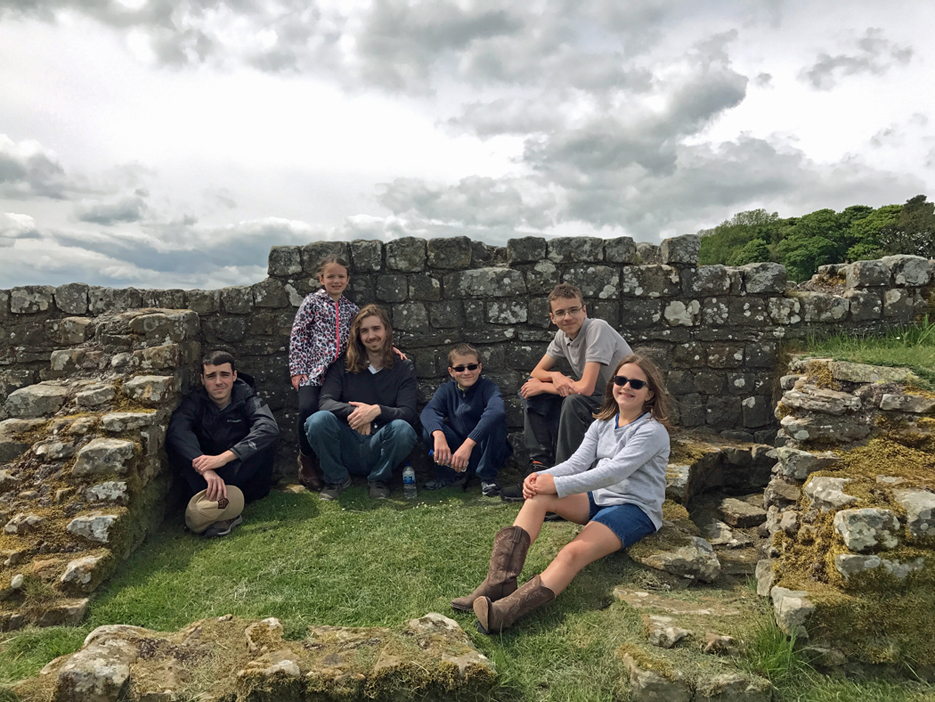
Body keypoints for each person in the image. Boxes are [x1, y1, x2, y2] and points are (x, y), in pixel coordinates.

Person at [452, 353, 671, 634]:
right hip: (599, 499)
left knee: (571, 553)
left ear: (649, 393)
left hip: (634, 509)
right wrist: (541, 477)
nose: (626, 387)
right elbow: (577, 463)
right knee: (538, 497)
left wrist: (556, 485)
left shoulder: (652, 431)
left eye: (636, 384)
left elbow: (614, 472)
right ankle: (499, 581)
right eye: (620, 379)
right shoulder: (604, 423)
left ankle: (503, 614)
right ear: (612, 384)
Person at [500, 283, 633, 502]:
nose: (567, 317)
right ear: (553, 318)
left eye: (573, 310)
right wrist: (554, 376)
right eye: (560, 313)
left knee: (572, 401)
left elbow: (586, 388)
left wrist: (544, 384)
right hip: (597, 398)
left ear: (584, 310)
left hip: (621, 403)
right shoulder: (562, 338)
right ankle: (539, 468)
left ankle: (561, 485)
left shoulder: (597, 328)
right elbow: (537, 371)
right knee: (531, 390)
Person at [305, 304, 418, 500]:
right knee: (317, 420)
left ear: (386, 331)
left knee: (404, 429)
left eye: (376, 329)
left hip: (381, 442)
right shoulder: (342, 365)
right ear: (358, 335)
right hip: (348, 439)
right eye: (364, 331)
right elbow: (325, 402)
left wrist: (376, 411)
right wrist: (357, 413)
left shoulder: (403, 367)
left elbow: (408, 412)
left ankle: (379, 480)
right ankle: (336, 479)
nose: (371, 335)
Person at [167, 350, 280, 537]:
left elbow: (268, 428)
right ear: (202, 380)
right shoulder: (195, 402)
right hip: (208, 476)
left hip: (242, 474)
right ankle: (219, 510)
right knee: (180, 446)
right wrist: (206, 469)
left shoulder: (248, 398)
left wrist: (224, 458)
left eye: (224, 375)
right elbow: (177, 431)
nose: (218, 382)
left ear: (234, 376)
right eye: (211, 376)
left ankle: (224, 510)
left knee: (264, 440)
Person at [289, 254, 359, 493]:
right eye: (331, 276)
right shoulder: (311, 302)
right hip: (313, 371)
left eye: (341, 276)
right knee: (308, 409)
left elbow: (363, 335)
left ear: (348, 279)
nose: (336, 281)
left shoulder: (351, 308)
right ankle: (306, 460)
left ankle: (340, 464)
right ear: (321, 279)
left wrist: (389, 347)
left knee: (339, 412)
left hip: (341, 372)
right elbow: (298, 335)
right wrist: (297, 370)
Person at [420, 343, 512, 496]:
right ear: (451, 371)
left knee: (497, 423)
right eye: (460, 368)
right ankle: (450, 475)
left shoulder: (488, 388)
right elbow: (429, 411)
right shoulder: (446, 390)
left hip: (482, 450)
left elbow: (497, 412)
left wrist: (469, 444)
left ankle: (488, 478)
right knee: (430, 428)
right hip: (455, 452)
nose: (466, 372)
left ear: (480, 367)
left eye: (472, 367)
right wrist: (438, 434)